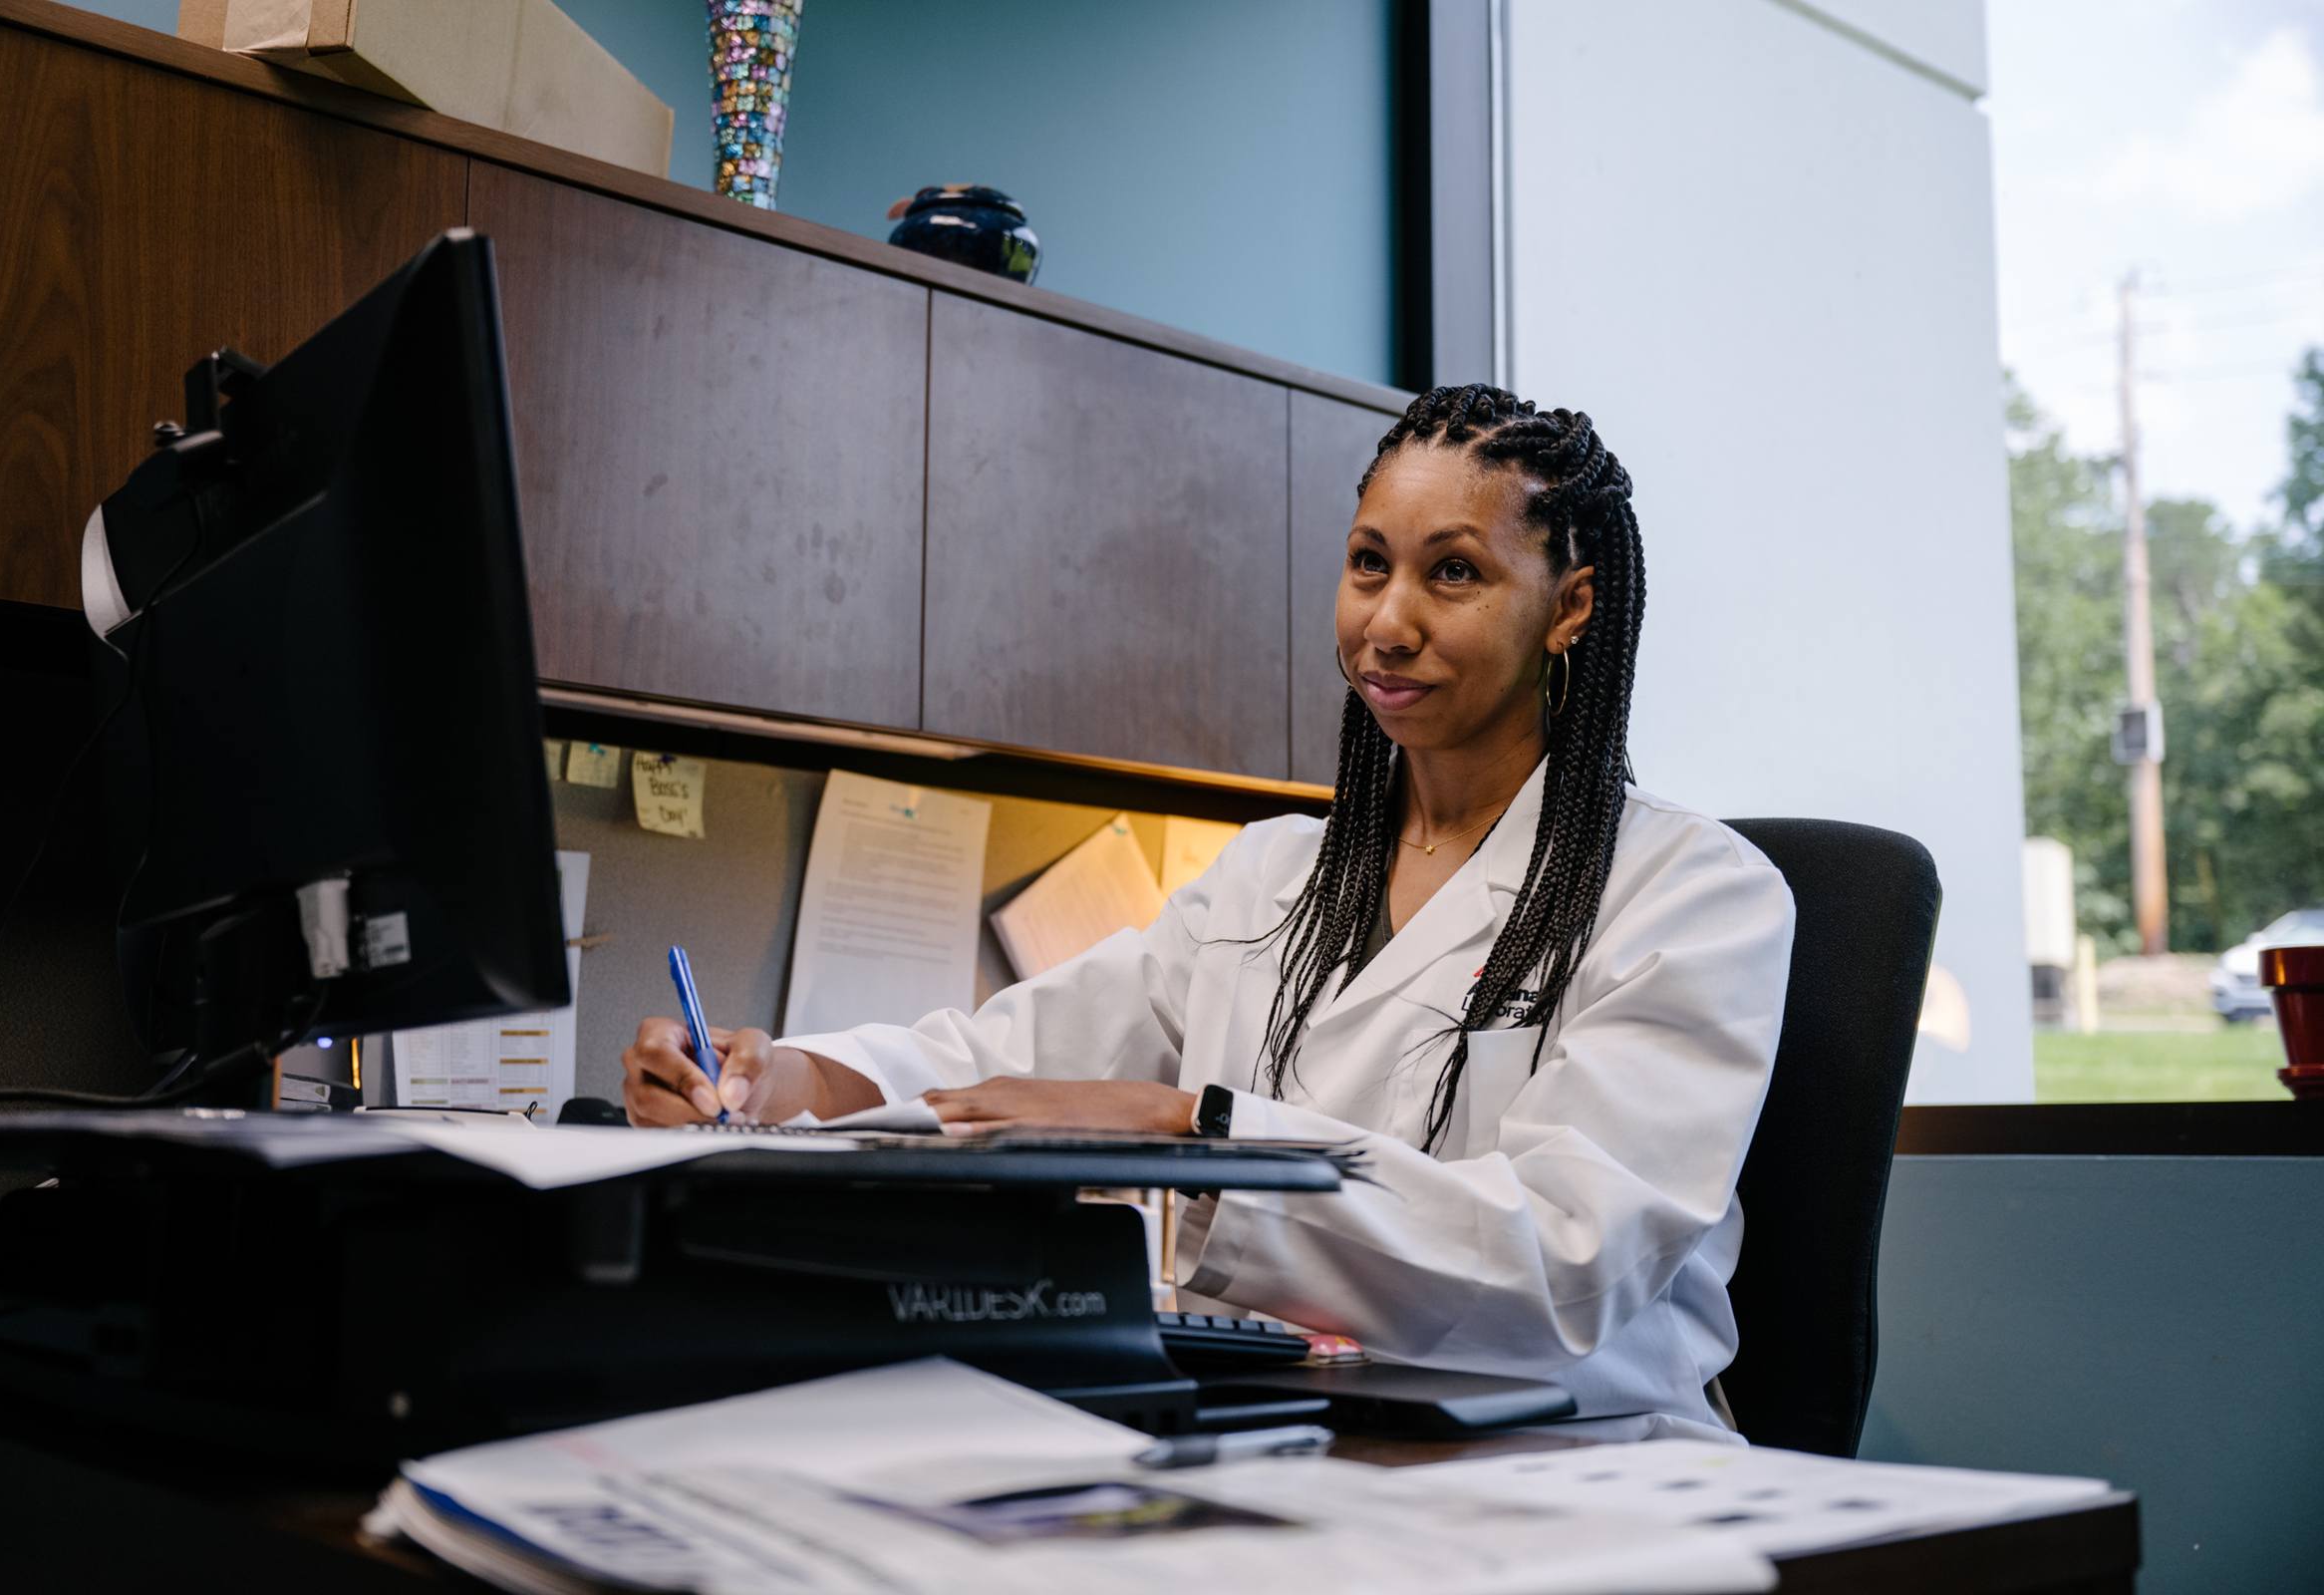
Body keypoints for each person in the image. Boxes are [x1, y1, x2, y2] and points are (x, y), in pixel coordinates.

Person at [620, 385, 1795, 1442]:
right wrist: (787, 1085)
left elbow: (1564, 1259)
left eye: (1454, 572)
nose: (1388, 621)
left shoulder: (1690, 893)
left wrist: (1195, 1127)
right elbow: (1005, 1058)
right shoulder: (1271, 876)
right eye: (1368, 563)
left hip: (1575, 1467)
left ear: (1571, 605)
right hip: (1291, 1433)